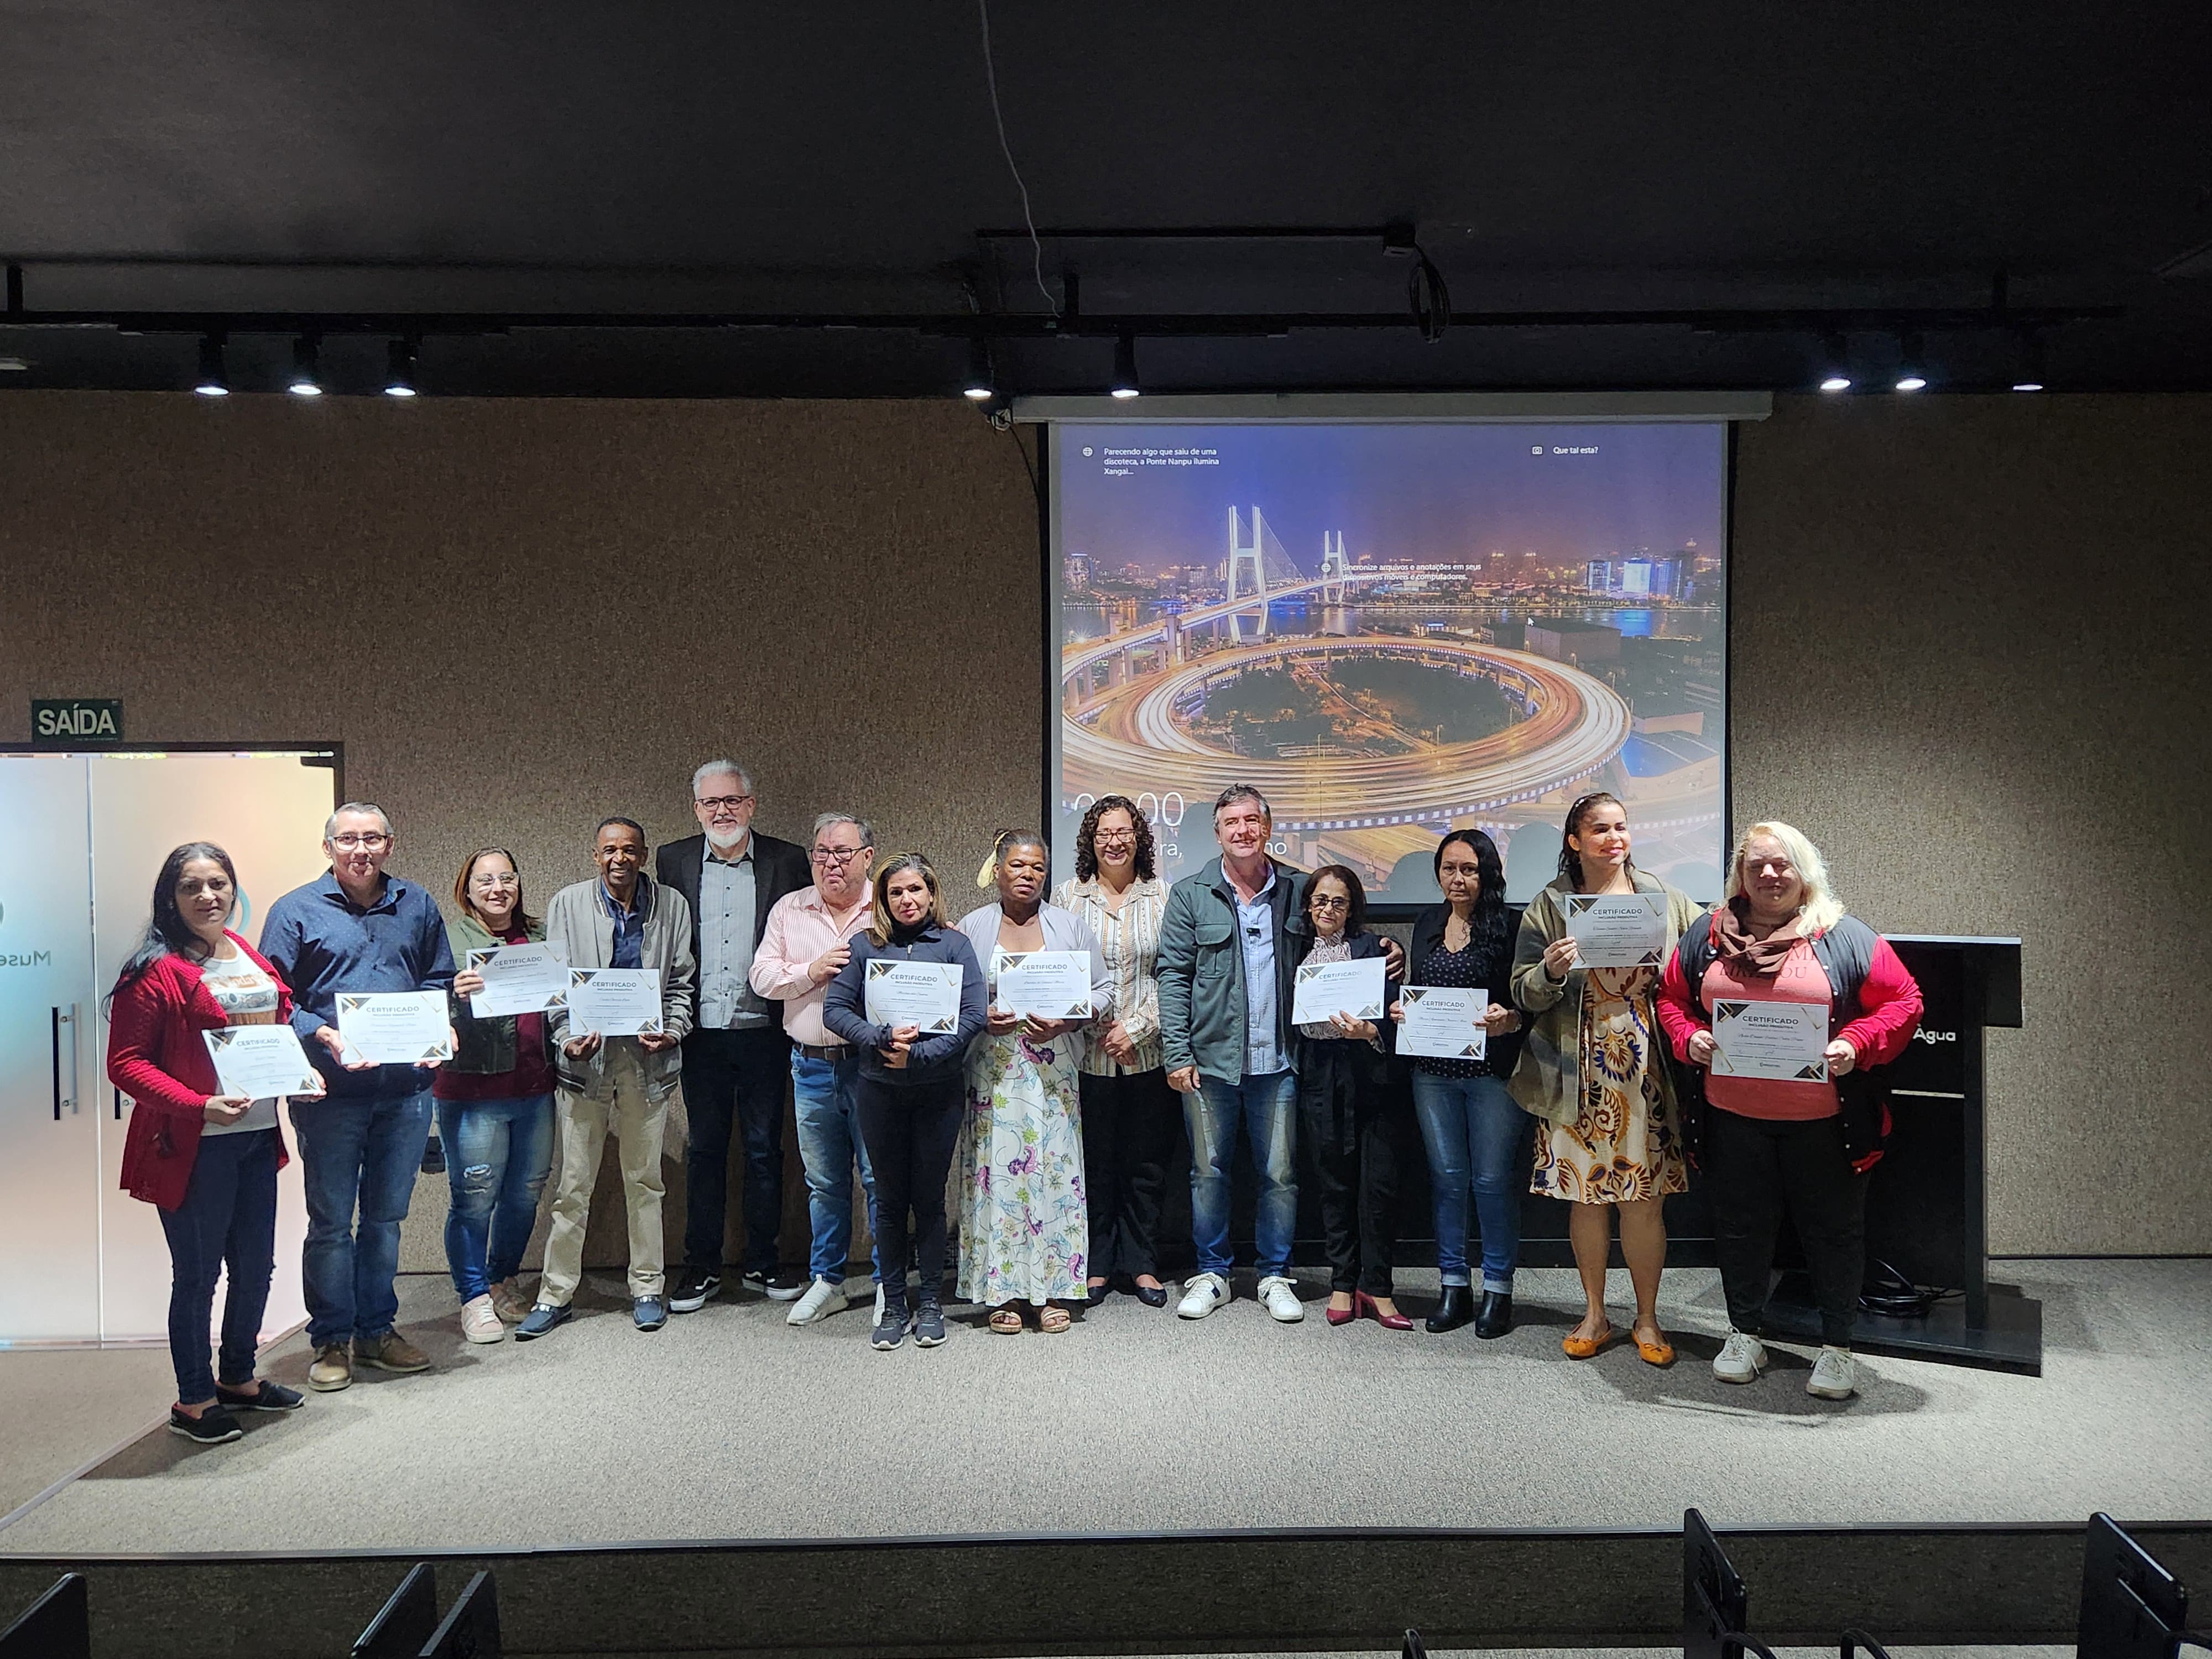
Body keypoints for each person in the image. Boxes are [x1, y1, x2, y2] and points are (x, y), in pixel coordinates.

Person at [1657, 821, 1923, 1401]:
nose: (1769, 875)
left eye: (1781, 864)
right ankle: (1744, 1332)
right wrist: (1689, 1040)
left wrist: (1855, 1044)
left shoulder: (1844, 936)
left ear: (1805, 872)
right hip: (1731, 1118)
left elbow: (1905, 1002)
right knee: (1739, 1230)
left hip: (1825, 1125)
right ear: (1740, 874)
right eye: (1756, 866)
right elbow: (1671, 1000)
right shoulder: (1705, 935)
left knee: (1832, 1234)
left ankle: (1837, 1349)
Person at [1157, 784, 1403, 1324]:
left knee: (1280, 1176)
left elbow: (1339, 937)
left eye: (1252, 821)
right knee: (1208, 1175)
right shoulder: (1191, 894)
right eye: (1231, 823)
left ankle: (1273, 1274)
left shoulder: (1296, 890)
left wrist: (1389, 948)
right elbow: (1172, 976)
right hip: (1210, 1064)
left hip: (1283, 1064)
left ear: (1267, 828)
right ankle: (1212, 1273)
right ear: (1217, 832)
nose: (1242, 831)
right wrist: (1176, 1051)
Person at [107, 843, 314, 1444]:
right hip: (193, 1145)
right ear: (170, 899)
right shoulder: (153, 970)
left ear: (233, 889)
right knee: (197, 1277)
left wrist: (300, 1077)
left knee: (255, 1268)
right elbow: (126, 1065)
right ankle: (194, 1399)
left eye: (218, 884)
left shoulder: (243, 952)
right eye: (192, 887)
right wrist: (199, 1105)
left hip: (253, 1139)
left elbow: (275, 1025)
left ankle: (240, 1379)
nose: (208, 897)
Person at [261, 803, 456, 1394]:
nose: (360, 850)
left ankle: (376, 1331)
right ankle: (331, 1339)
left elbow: (438, 980)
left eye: (372, 839)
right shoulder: (294, 911)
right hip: (331, 1096)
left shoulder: (417, 904)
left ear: (390, 845)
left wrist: (439, 1027)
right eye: (348, 840)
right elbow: (276, 997)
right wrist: (320, 1033)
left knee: (385, 1221)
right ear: (329, 848)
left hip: (404, 1093)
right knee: (330, 1224)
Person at [1509, 792, 1701, 1366]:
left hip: (1646, 1068)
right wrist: (1549, 970)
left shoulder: (1665, 900)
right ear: (1574, 841)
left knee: (1644, 1203)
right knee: (1587, 1200)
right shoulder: (1549, 904)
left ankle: (1647, 1318)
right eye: (1599, 829)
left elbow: (1702, 965)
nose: (1613, 838)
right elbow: (1521, 991)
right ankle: (1594, 1312)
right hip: (1575, 1069)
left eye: (1621, 827)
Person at [518, 817, 696, 1339]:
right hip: (584, 1064)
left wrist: (674, 1030)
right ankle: (556, 1294)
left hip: (647, 1062)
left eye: (630, 850)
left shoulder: (672, 906)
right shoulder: (567, 904)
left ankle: (647, 1287)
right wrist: (566, 1035)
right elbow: (555, 985)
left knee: (645, 1182)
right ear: (595, 856)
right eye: (609, 850)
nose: (619, 859)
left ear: (643, 855)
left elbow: (682, 982)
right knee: (573, 1186)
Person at [656, 760, 812, 1311]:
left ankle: (763, 1264)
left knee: (765, 1151)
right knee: (704, 1150)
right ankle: (700, 1267)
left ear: (751, 804)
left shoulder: (787, 860)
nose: (721, 811)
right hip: (701, 1034)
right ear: (696, 808)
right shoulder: (672, 860)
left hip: (765, 1030)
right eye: (710, 803)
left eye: (732, 801)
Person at [822, 854, 986, 1352]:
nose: (907, 900)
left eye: (916, 890)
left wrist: (918, 1058)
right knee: (890, 1203)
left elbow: (974, 1015)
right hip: (879, 1091)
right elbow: (834, 1010)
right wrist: (878, 1038)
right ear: (883, 899)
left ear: (931, 894)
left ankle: (930, 1304)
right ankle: (894, 1304)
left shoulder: (956, 945)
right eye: (896, 893)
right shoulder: (864, 946)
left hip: (938, 1091)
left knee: (930, 1201)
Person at [957, 831, 1113, 1334]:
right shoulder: (972, 928)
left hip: (1054, 1070)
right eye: (1019, 866)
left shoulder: (1069, 926)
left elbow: (1104, 989)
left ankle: (1053, 1290)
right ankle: (1002, 1290)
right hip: (993, 1072)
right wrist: (981, 1017)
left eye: (1039, 868)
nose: (1029, 875)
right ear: (998, 870)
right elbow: (953, 997)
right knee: (998, 1178)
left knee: (1054, 1175)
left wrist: (1072, 1018)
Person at [1391, 830, 1528, 1338]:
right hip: (1433, 1074)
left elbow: (1531, 1001)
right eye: (1449, 868)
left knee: (1491, 1184)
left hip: (1491, 1075)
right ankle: (1454, 1285)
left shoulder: (1513, 925)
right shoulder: (1428, 922)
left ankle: (1498, 1290)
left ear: (1488, 873)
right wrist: (1404, 1011)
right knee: (1448, 1180)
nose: (1457, 879)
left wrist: (1509, 1018)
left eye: (1468, 869)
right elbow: (1421, 989)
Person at [748, 812, 883, 1327]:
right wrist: (811, 972)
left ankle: (884, 1282)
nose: (831, 862)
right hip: (810, 1066)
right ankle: (827, 1280)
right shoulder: (790, 908)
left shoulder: (888, 904)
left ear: (867, 858)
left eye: (843, 853)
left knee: (878, 1178)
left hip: (873, 1069)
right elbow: (762, 976)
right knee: (824, 1182)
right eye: (822, 853)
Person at [1051, 795, 1176, 1310]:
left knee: (1146, 1164)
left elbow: (1175, 975)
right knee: (1095, 1163)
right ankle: (1098, 1263)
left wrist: (1138, 1029)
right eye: (1104, 834)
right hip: (1087, 1055)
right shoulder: (1066, 898)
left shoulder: (1165, 897)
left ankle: (1142, 1263)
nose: (1115, 842)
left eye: (1124, 832)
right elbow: (1055, 972)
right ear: (1090, 841)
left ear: (1140, 838)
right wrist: (1103, 1030)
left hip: (1148, 1055)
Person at [437, 848, 556, 1344]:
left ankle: (501, 1279)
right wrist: (453, 993)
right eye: (485, 881)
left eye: (507, 878)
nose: (497, 888)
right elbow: (424, 1001)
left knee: (525, 1193)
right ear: (467, 889)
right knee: (474, 1197)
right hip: (473, 1090)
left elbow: (560, 1003)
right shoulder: (447, 940)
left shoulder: (541, 939)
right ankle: (473, 1297)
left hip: (535, 1087)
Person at [1293, 865, 1413, 1329]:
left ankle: (1378, 1287)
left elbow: (1399, 1014)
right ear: (1308, 905)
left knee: (1379, 1185)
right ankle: (1343, 1281)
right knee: (1334, 1181)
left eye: (1338, 902)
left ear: (1352, 907)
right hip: (1320, 1073)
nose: (1328, 909)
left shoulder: (1376, 951)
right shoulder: (1294, 951)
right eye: (1320, 900)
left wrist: (1372, 1031)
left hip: (1372, 1070)